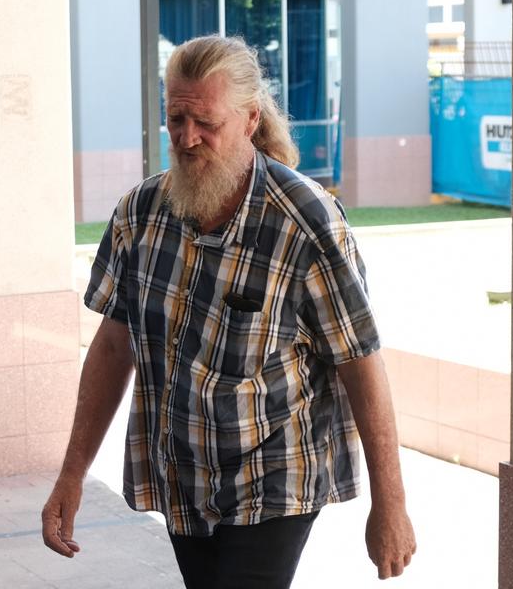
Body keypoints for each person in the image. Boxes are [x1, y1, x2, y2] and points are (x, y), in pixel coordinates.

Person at [41, 35, 416, 587]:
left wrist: (391, 505)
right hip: (182, 471)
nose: (187, 138)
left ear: (249, 120)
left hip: (275, 474)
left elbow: (361, 363)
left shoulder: (306, 222)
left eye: (206, 123)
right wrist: (71, 475)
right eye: (175, 118)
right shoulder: (139, 214)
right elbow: (114, 345)